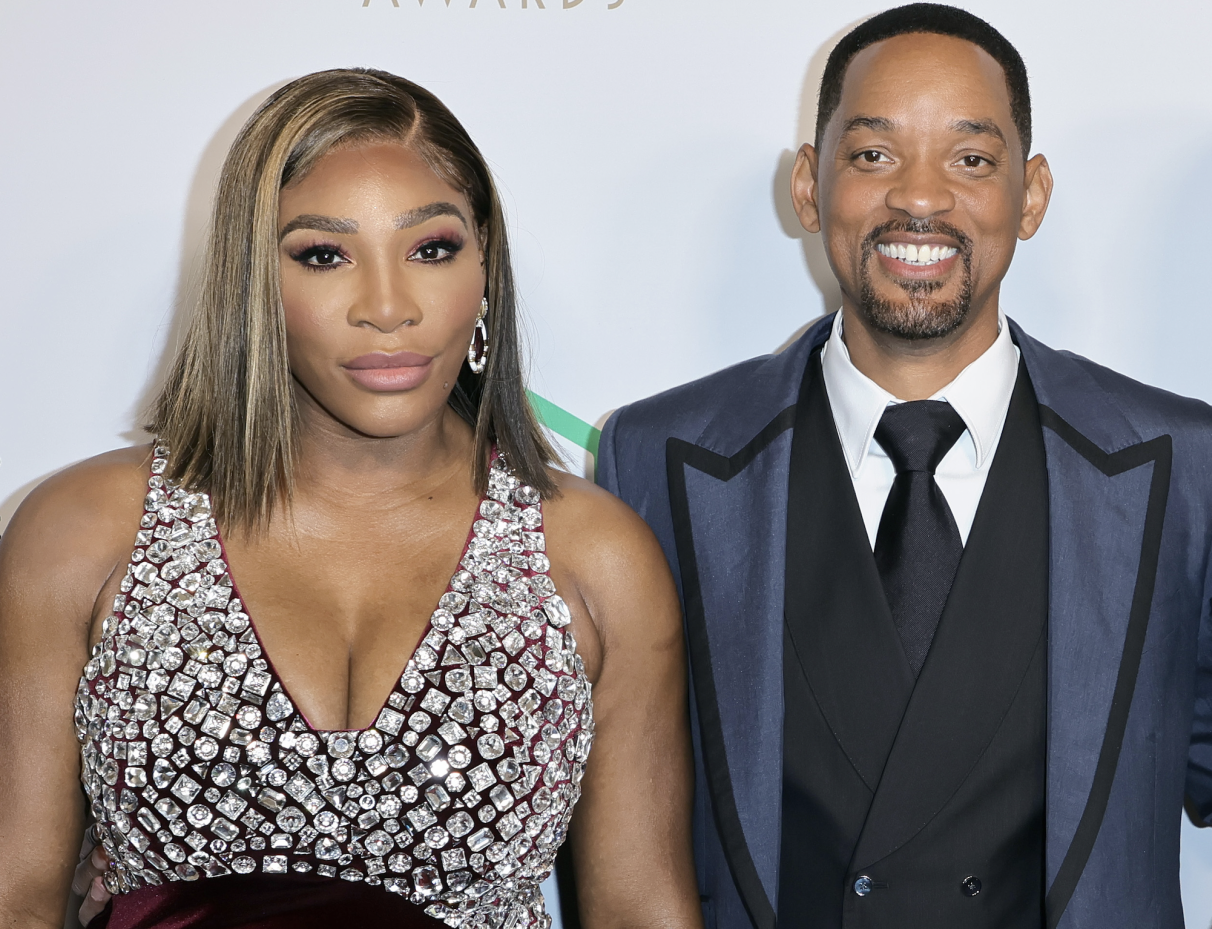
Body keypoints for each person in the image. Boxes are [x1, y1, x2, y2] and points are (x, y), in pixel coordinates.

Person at [0, 69, 701, 929]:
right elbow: (17, 895)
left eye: (431, 248)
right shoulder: (84, 532)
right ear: (254, 282)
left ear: (485, 268)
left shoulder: (593, 555)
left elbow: (639, 907)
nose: (386, 307)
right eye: (323, 255)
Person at [597, 5, 1212, 928]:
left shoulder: (1179, 459)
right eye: (873, 155)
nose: (921, 198)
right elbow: (616, 817)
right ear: (809, 186)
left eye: (971, 159)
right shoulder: (658, 455)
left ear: (1031, 193)